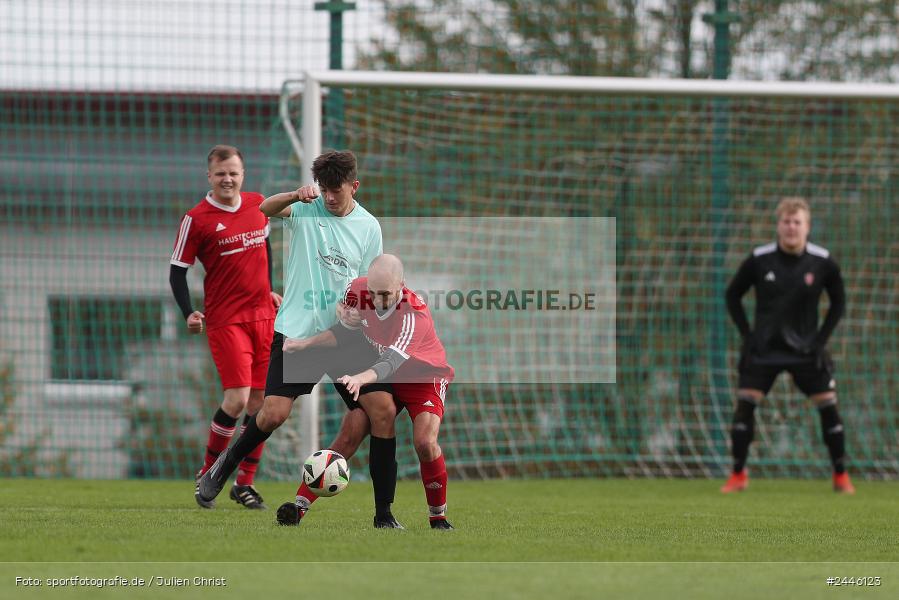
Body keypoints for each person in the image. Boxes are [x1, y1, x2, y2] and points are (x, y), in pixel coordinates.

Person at [197, 150, 405, 527]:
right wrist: (296, 195)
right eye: (324, 189)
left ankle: (384, 515)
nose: (329, 197)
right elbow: (266, 209)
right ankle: (221, 468)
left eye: (336, 191)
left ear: (354, 186)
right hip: (297, 332)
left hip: (346, 336)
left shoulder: (369, 226)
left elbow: (369, 284)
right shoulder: (307, 209)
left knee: (383, 411)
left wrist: (359, 310)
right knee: (274, 413)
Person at [277, 254, 455, 530]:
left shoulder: (414, 313)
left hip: (424, 378)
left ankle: (438, 517)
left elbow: (390, 362)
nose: (378, 299)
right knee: (354, 426)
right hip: (387, 377)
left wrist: (360, 378)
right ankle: (299, 506)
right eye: (373, 292)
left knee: (424, 443)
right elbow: (345, 328)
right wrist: (308, 341)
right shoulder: (358, 290)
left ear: (402, 286)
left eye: (385, 294)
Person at [170, 145, 281, 510]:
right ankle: (209, 473)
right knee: (235, 399)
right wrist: (189, 312)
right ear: (209, 177)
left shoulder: (258, 205)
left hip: (264, 316)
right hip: (226, 319)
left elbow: (265, 252)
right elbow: (177, 271)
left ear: (243, 174)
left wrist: (269, 290)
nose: (228, 179)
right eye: (220, 174)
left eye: (233, 172)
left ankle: (243, 484)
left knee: (261, 404)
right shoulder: (197, 219)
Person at [721, 197, 853, 494]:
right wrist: (748, 335)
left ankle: (841, 476)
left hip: (806, 350)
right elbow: (733, 295)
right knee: (745, 406)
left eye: (797, 222)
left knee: (829, 406)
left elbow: (839, 301)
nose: (791, 228)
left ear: (807, 227)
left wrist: (820, 340)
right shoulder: (759, 259)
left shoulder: (822, 261)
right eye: (786, 222)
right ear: (778, 226)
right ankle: (738, 474)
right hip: (765, 347)